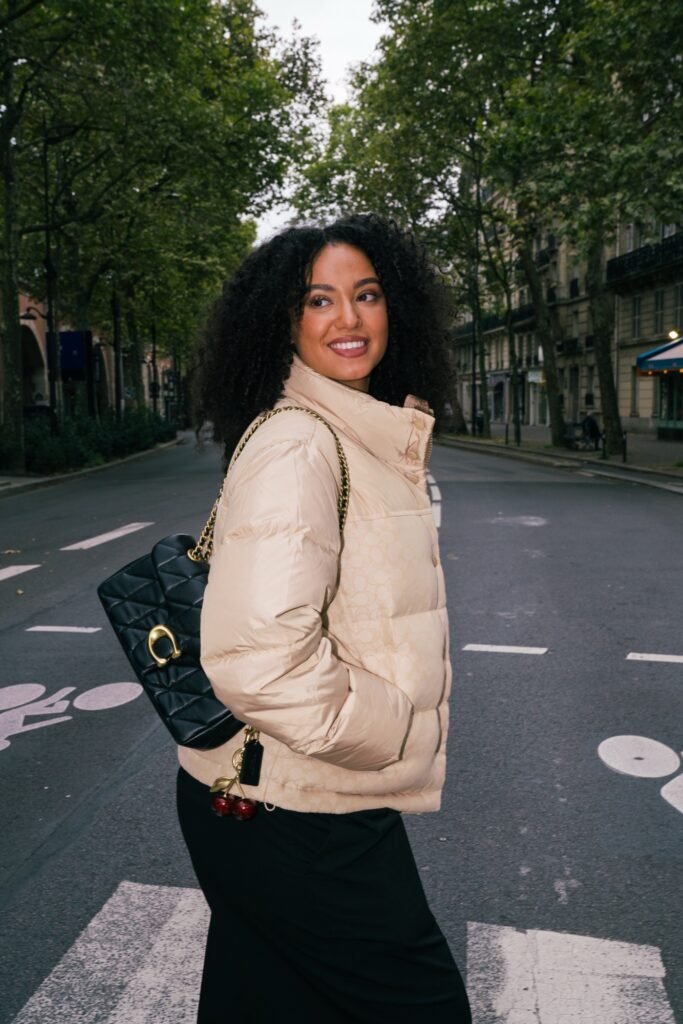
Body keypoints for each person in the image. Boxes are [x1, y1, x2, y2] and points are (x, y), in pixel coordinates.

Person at [177, 213, 471, 1023]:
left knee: (265, 1001)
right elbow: (256, 659)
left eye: (366, 294)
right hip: (298, 807)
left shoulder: (353, 433)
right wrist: (388, 729)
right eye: (318, 300)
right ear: (282, 320)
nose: (349, 318)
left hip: (272, 795)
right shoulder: (301, 443)